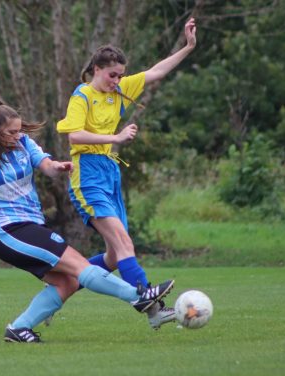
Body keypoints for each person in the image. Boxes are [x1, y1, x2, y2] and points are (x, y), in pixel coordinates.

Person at [0, 100, 174, 343]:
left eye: (19, 130)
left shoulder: (24, 144)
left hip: (30, 228)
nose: (17, 136)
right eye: (11, 132)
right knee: (79, 265)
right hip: (8, 231)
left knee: (67, 282)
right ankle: (139, 297)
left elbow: (45, 165)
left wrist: (56, 167)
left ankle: (18, 328)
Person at [55, 18, 197, 328]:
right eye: (111, 75)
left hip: (109, 173)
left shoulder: (119, 90)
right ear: (96, 70)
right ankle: (151, 302)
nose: (117, 81)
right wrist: (115, 138)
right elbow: (74, 135)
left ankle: (61, 285)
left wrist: (187, 47)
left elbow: (157, 72)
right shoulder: (82, 96)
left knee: (113, 256)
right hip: (87, 174)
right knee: (122, 243)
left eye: (121, 75)